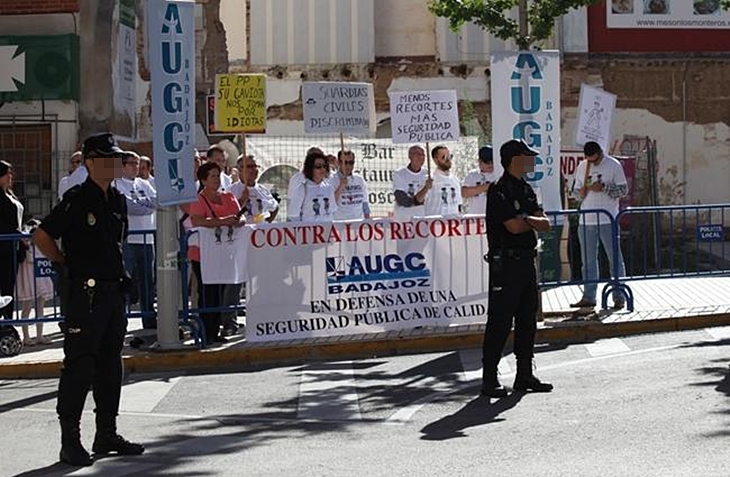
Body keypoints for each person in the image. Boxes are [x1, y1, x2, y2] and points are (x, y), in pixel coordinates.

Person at [33, 132, 144, 467]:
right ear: (91, 162)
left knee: (111, 365)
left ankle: (106, 433)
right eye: (108, 159)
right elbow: (42, 235)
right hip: (87, 293)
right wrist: (65, 264)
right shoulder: (77, 198)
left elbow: (116, 244)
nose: (115, 164)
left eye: (117, 159)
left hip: (112, 292)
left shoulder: (117, 199)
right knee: (80, 366)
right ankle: (70, 441)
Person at [481, 139, 553, 398]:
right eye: (526, 157)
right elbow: (512, 227)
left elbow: (545, 224)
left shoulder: (526, 188)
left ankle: (524, 374)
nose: (531, 161)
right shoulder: (499, 190)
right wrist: (529, 221)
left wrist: (527, 220)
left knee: (526, 320)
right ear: (514, 159)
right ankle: (489, 378)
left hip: (526, 261)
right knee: (500, 322)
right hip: (506, 263)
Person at [189, 161, 245, 344]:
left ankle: (216, 329)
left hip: (224, 252)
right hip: (203, 253)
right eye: (212, 176)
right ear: (203, 180)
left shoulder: (228, 197)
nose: (216, 179)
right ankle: (207, 331)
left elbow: (240, 216)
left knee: (220, 292)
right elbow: (197, 220)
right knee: (207, 293)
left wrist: (237, 221)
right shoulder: (198, 199)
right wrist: (222, 221)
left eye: (217, 175)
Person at [570, 141, 628, 309]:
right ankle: (589, 296)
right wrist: (579, 192)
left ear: (600, 153)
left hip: (608, 219)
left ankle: (619, 296)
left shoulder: (613, 165)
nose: (591, 162)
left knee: (614, 259)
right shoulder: (582, 166)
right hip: (586, 220)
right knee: (587, 261)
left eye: (594, 159)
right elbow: (575, 191)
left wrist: (603, 187)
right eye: (588, 159)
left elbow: (623, 190)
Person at [115, 151, 157, 328]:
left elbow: (156, 200)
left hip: (147, 240)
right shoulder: (116, 184)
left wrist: (141, 202)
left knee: (148, 282)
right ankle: (120, 321)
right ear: (122, 165)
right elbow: (129, 207)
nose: (136, 167)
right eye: (132, 163)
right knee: (125, 282)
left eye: (137, 163)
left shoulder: (144, 183)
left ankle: (149, 319)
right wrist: (145, 204)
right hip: (129, 240)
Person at [16, 218, 54, 346]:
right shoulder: (26, 243)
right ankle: (27, 337)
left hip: (38, 275)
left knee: (39, 306)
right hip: (30, 275)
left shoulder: (37, 243)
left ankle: (38, 335)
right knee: (29, 306)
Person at [287, 149, 343, 222]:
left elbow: (332, 209)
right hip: (309, 230)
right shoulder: (302, 188)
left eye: (324, 166)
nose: (322, 169)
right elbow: (293, 215)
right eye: (318, 167)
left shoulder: (328, 187)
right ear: (310, 168)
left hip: (327, 228)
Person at [0, 160, 24, 321]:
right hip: (3, 247)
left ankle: (8, 321)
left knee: (9, 287)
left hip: (12, 248)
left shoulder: (9, 194)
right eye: (7, 173)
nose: (11, 176)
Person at [230, 154, 279, 223]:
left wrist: (266, 223)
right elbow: (227, 214)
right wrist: (241, 201)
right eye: (250, 166)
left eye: (255, 166)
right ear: (240, 169)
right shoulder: (231, 190)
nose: (254, 169)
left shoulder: (263, 190)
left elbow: (275, 207)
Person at [392, 145, 432, 220]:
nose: (421, 157)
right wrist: (418, 200)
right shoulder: (399, 174)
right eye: (417, 154)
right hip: (404, 219)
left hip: (422, 219)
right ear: (410, 156)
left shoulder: (427, 173)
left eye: (423, 155)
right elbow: (402, 200)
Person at [331, 150, 370, 220]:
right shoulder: (332, 179)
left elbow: (365, 202)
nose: (348, 166)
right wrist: (341, 186)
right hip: (340, 223)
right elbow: (330, 202)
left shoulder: (359, 179)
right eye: (345, 162)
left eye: (351, 163)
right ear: (339, 162)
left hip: (358, 223)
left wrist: (367, 220)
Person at [423, 145, 462, 217]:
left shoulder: (455, 179)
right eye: (443, 157)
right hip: (435, 224)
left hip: (453, 225)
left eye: (449, 156)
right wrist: (425, 188)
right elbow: (418, 200)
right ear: (435, 160)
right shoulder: (429, 179)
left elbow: (459, 205)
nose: (448, 159)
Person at [462, 145, 500, 216]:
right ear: (480, 162)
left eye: (492, 161)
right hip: (476, 217)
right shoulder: (472, 175)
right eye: (487, 162)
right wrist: (487, 187)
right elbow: (464, 193)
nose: (490, 164)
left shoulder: (498, 174)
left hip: (494, 216)